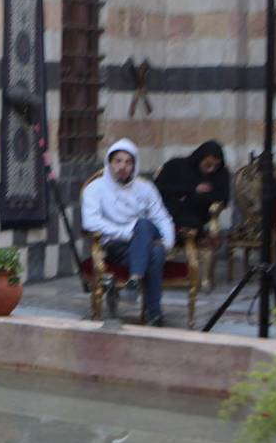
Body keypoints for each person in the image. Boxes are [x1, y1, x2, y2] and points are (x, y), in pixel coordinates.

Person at [81, 138, 176, 326]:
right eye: (118, 161)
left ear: (134, 165)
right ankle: (154, 313)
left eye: (128, 162)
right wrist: (127, 233)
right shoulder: (95, 188)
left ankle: (135, 278)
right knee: (154, 251)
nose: (122, 166)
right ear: (110, 163)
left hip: (143, 239)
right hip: (116, 246)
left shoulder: (145, 188)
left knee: (145, 226)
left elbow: (162, 218)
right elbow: (91, 222)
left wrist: (167, 243)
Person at [155, 140, 229, 234]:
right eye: (208, 165)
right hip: (168, 213)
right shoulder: (176, 165)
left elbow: (223, 198)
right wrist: (192, 189)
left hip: (196, 217)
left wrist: (193, 197)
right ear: (200, 158)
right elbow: (158, 189)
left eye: (216, 166)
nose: (211, 169)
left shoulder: (221, 174)